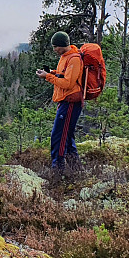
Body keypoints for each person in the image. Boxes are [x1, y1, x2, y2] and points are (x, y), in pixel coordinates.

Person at [35, 31, 83, 172]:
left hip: (70, 102)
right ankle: (76, 169)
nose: (54, 49)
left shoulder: (74, 59)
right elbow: (63, 75)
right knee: (67, 137)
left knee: (58, 136)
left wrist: (48, 77)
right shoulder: (65, 57)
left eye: (56, 46)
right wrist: (50, 72)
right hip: (65, 101)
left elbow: (67, 83)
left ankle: (57, 170)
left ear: (63, 45)